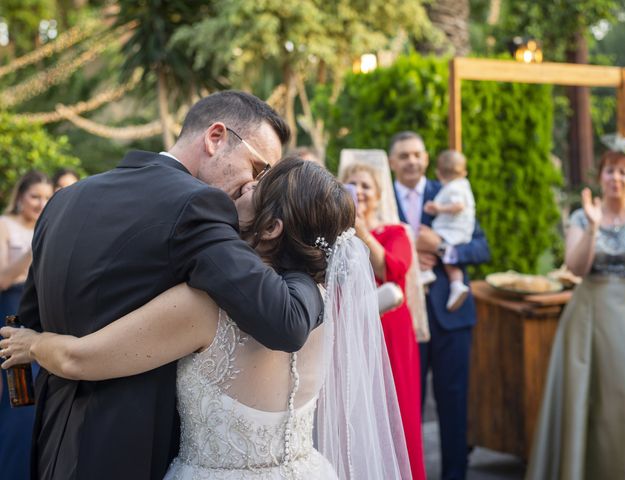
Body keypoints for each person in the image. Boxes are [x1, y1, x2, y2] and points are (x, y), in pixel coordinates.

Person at [1, 157, 412, 479]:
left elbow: (78, 359)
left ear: (271, 227)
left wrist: (32, 344)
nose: (243, 188)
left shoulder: (205, 306)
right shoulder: (322, 300)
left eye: (256, 186)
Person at [15, 91, 325, 480]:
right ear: (215, 138)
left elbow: (27, 322)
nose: (254, 186)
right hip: (132, 448)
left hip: (52, 440)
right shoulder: (199, 207)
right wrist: (311, 260)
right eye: (258, 168)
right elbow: (285, 321)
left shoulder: (63, 200)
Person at [526, 146, 625, 479]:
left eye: (623, 172)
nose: (615, 178)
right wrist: (592, 228)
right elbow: (576, 268)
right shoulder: (582, 215)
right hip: (590, 313)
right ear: (600, 177)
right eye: (609, 171)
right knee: (586, 399)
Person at [389, 131, 490, 480]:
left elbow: (481, 247)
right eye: (404, 156)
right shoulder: (382, 197)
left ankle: (455, 474)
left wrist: (444, 250)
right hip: (403, 317)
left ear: (427, 158)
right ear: (392, 162)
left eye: (417, 154)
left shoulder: (450, 192)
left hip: (451, 314)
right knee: (405, 405)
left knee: (454, 401)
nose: (412, 161)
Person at [341, 161, 426, 480]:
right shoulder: (336, 238)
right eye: (352, 184)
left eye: (366, 186)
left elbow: (391, 271)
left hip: (391, 334)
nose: (359, 192)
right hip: (354, 333)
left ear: (379, 194)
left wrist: (362, 230)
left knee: (396, 413)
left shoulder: (396, 232)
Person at [0, 170, 53, 480]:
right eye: (35, 196)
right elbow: (3, 278)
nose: (40, 203)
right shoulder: (6, 226)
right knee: (17, 400)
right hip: (11, 316)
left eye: (46, 197)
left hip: (41, 320)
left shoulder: (49, 227)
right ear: (20, 197)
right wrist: (36, 250)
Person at [422, 150, 476, 311]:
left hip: (452, 230)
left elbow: (458, 206)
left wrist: (439, 207)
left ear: (438, 173)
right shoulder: (463, 185)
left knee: (424, 236)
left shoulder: (453, 188)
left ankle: (427, 274)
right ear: (464, 172)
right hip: (457, 229)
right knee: (443, 254)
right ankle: (456, 283)